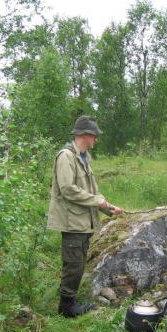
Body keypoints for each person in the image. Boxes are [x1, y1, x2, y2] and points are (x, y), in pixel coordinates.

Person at [47, 115, 123, 318]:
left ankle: (69, 299)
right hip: (72, 221)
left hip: (83, 221)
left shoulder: (84, 158)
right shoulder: (66, 156)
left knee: (78, 262)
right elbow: (67, 189)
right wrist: (97, 201)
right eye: (94, 136)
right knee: (74, 264)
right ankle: (67, 307)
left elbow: (91, 194)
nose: (96, 140)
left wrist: (108, 209)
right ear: (84, 135)